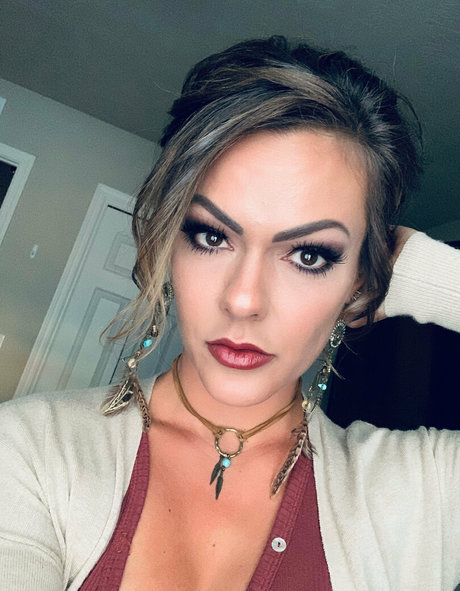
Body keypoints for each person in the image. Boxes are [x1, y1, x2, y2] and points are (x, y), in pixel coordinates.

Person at [1, 36, 459, 591]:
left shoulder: (425, 494)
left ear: (358, 283)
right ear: (168, 241)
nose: (243, 300)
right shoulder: (26, 449)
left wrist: (414, 272)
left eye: (309, 255)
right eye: (212, 236)